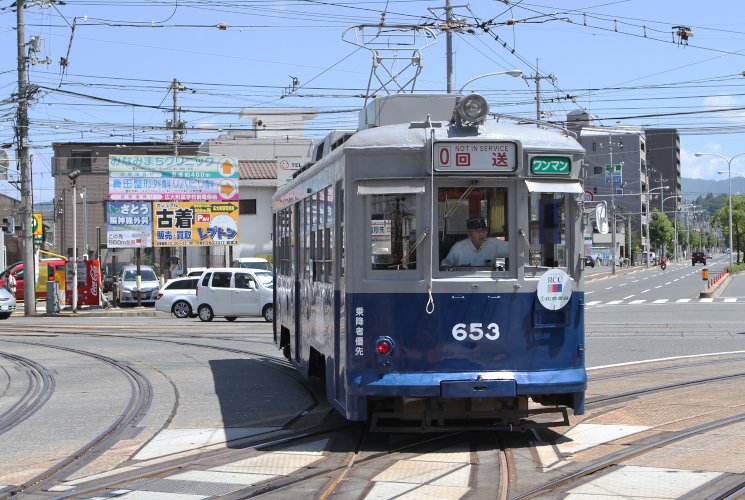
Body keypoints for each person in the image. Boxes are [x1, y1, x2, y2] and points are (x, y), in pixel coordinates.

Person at [441, 217, 509, 269]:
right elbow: (444, 266)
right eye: (477, 231)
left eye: (484, 231)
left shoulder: (494, 244)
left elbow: (515, 249)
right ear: (469, 234)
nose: (481, 234)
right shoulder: (458, 248)